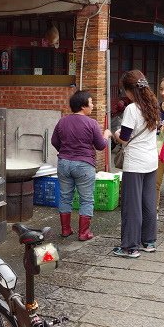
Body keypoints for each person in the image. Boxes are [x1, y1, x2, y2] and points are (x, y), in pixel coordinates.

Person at [51, 90, 112, 241]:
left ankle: (66, 230)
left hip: (64, 163)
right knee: (86, 199)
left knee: (65, 197)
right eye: (91, 103)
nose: (93, 106)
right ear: (83, 105)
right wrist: (106, 135)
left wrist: (65, 151)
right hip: (84, 165)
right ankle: (83, 233)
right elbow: (100, 146)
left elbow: (54, 141)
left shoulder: (62, 121)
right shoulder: (91, 123)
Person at [112, 70, 159, 258]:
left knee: (131, 205)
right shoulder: (154, 105)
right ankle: (149, 241)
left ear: (131, 90)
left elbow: (124, 138)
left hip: (135, 162)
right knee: (148, 203)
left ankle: (130, 247)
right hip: (151, 160)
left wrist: (114, 134)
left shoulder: (132, 109)